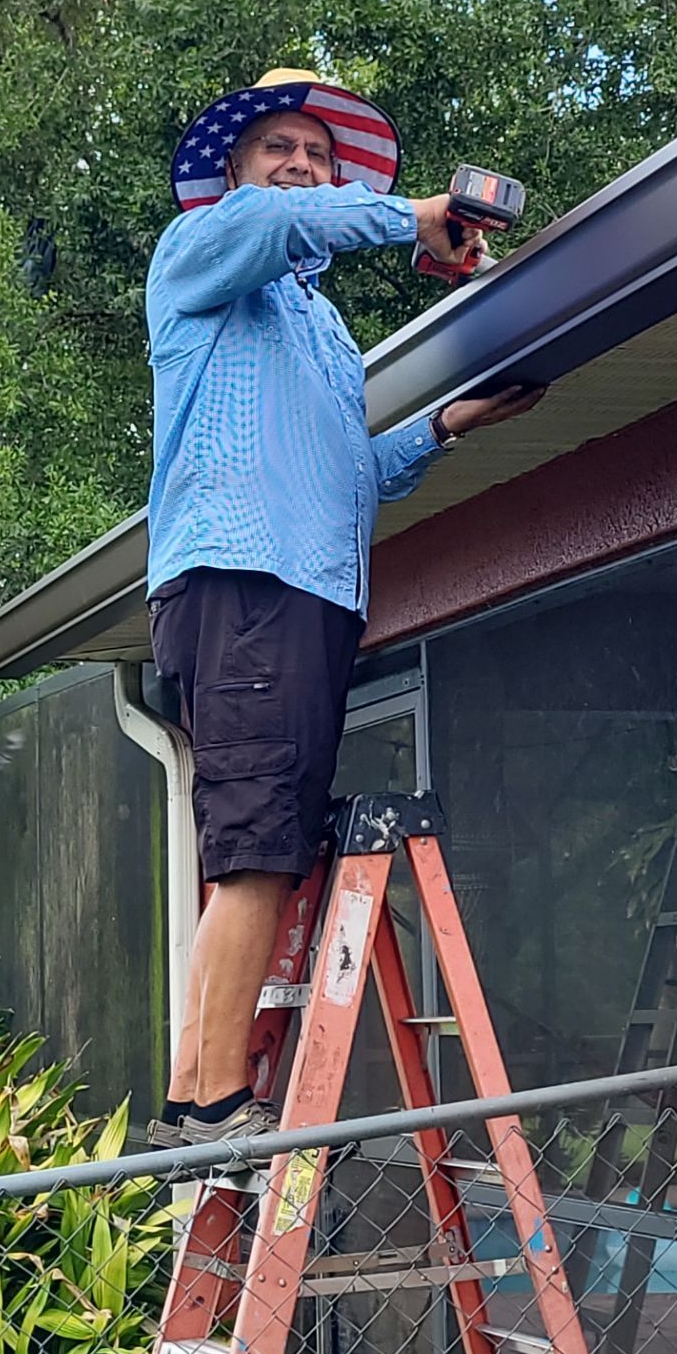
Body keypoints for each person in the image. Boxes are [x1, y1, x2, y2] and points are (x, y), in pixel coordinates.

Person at [144, 67, 543, 1146]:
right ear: (232, 170)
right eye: (279, 147)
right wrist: (413, 216)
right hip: (244, 580)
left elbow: (346, 474)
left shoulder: (323, 336)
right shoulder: (203, 254)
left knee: (264, 839)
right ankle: (209, 1102)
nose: (300, 166)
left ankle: (199, 1084)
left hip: (312, 595)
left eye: (316, 154)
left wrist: (449, 423)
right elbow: (278, 219)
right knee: (258, 847)